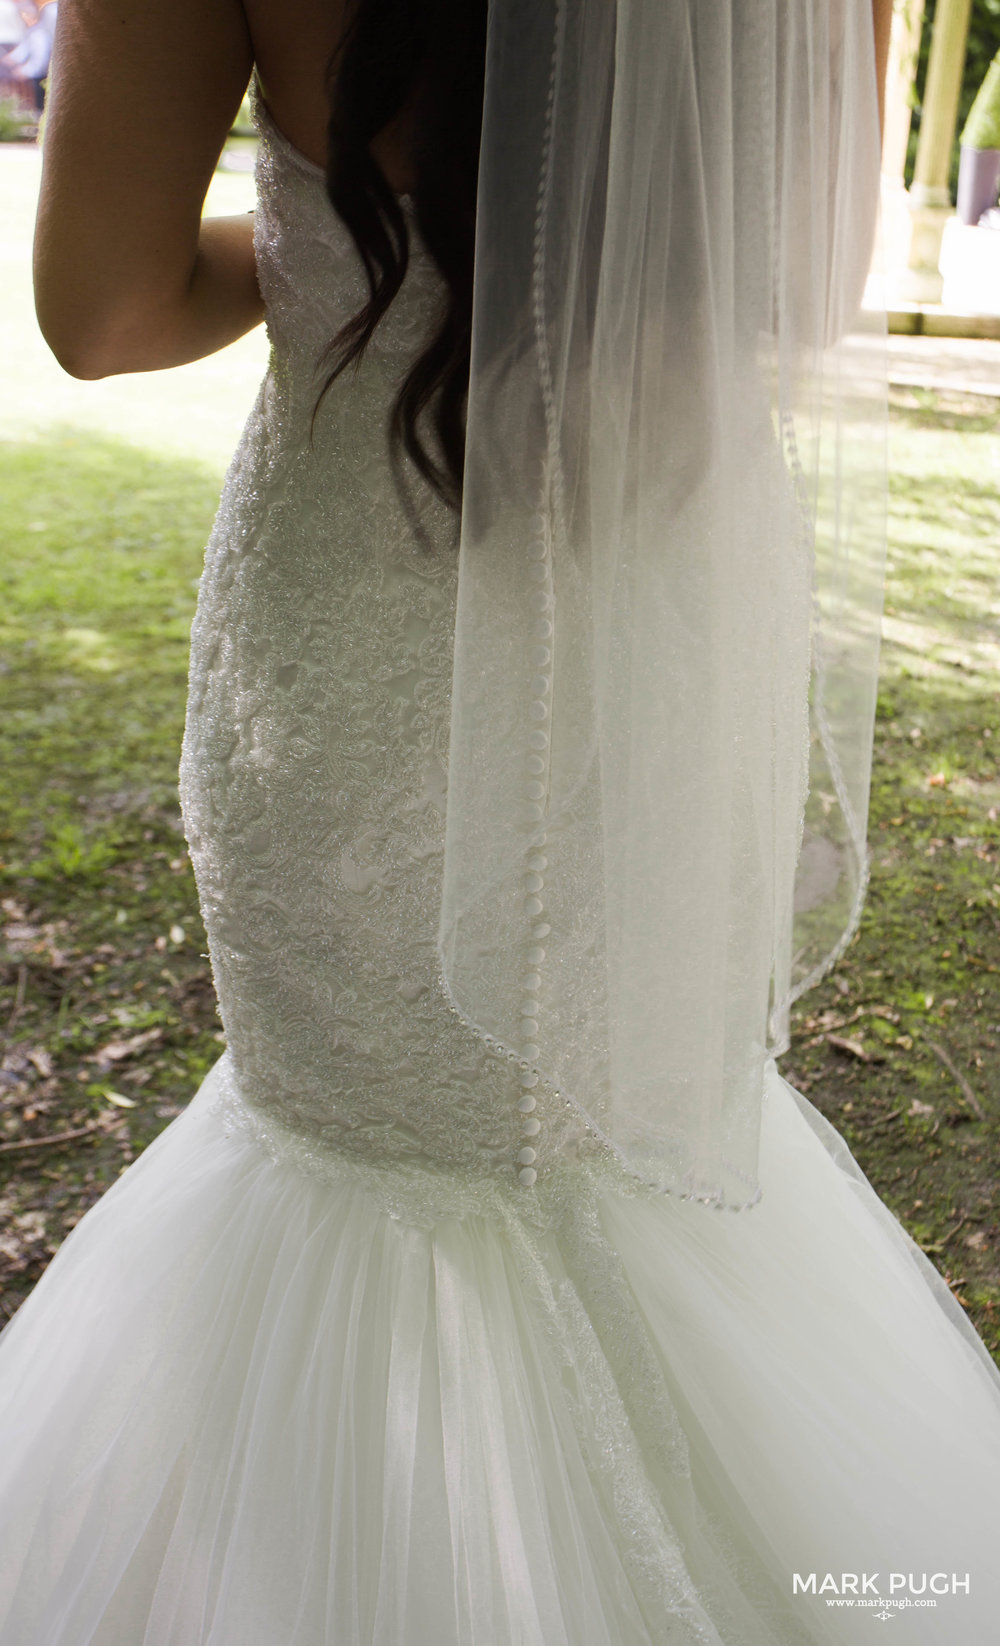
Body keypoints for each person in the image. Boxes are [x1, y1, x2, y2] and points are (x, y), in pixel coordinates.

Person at [2, 2, 999, 1642]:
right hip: (661, 639)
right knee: (618, 1157)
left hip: (357, 681)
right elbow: (797, 260)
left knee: (356, 1156)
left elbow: (103, 309)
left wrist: (344, 239)